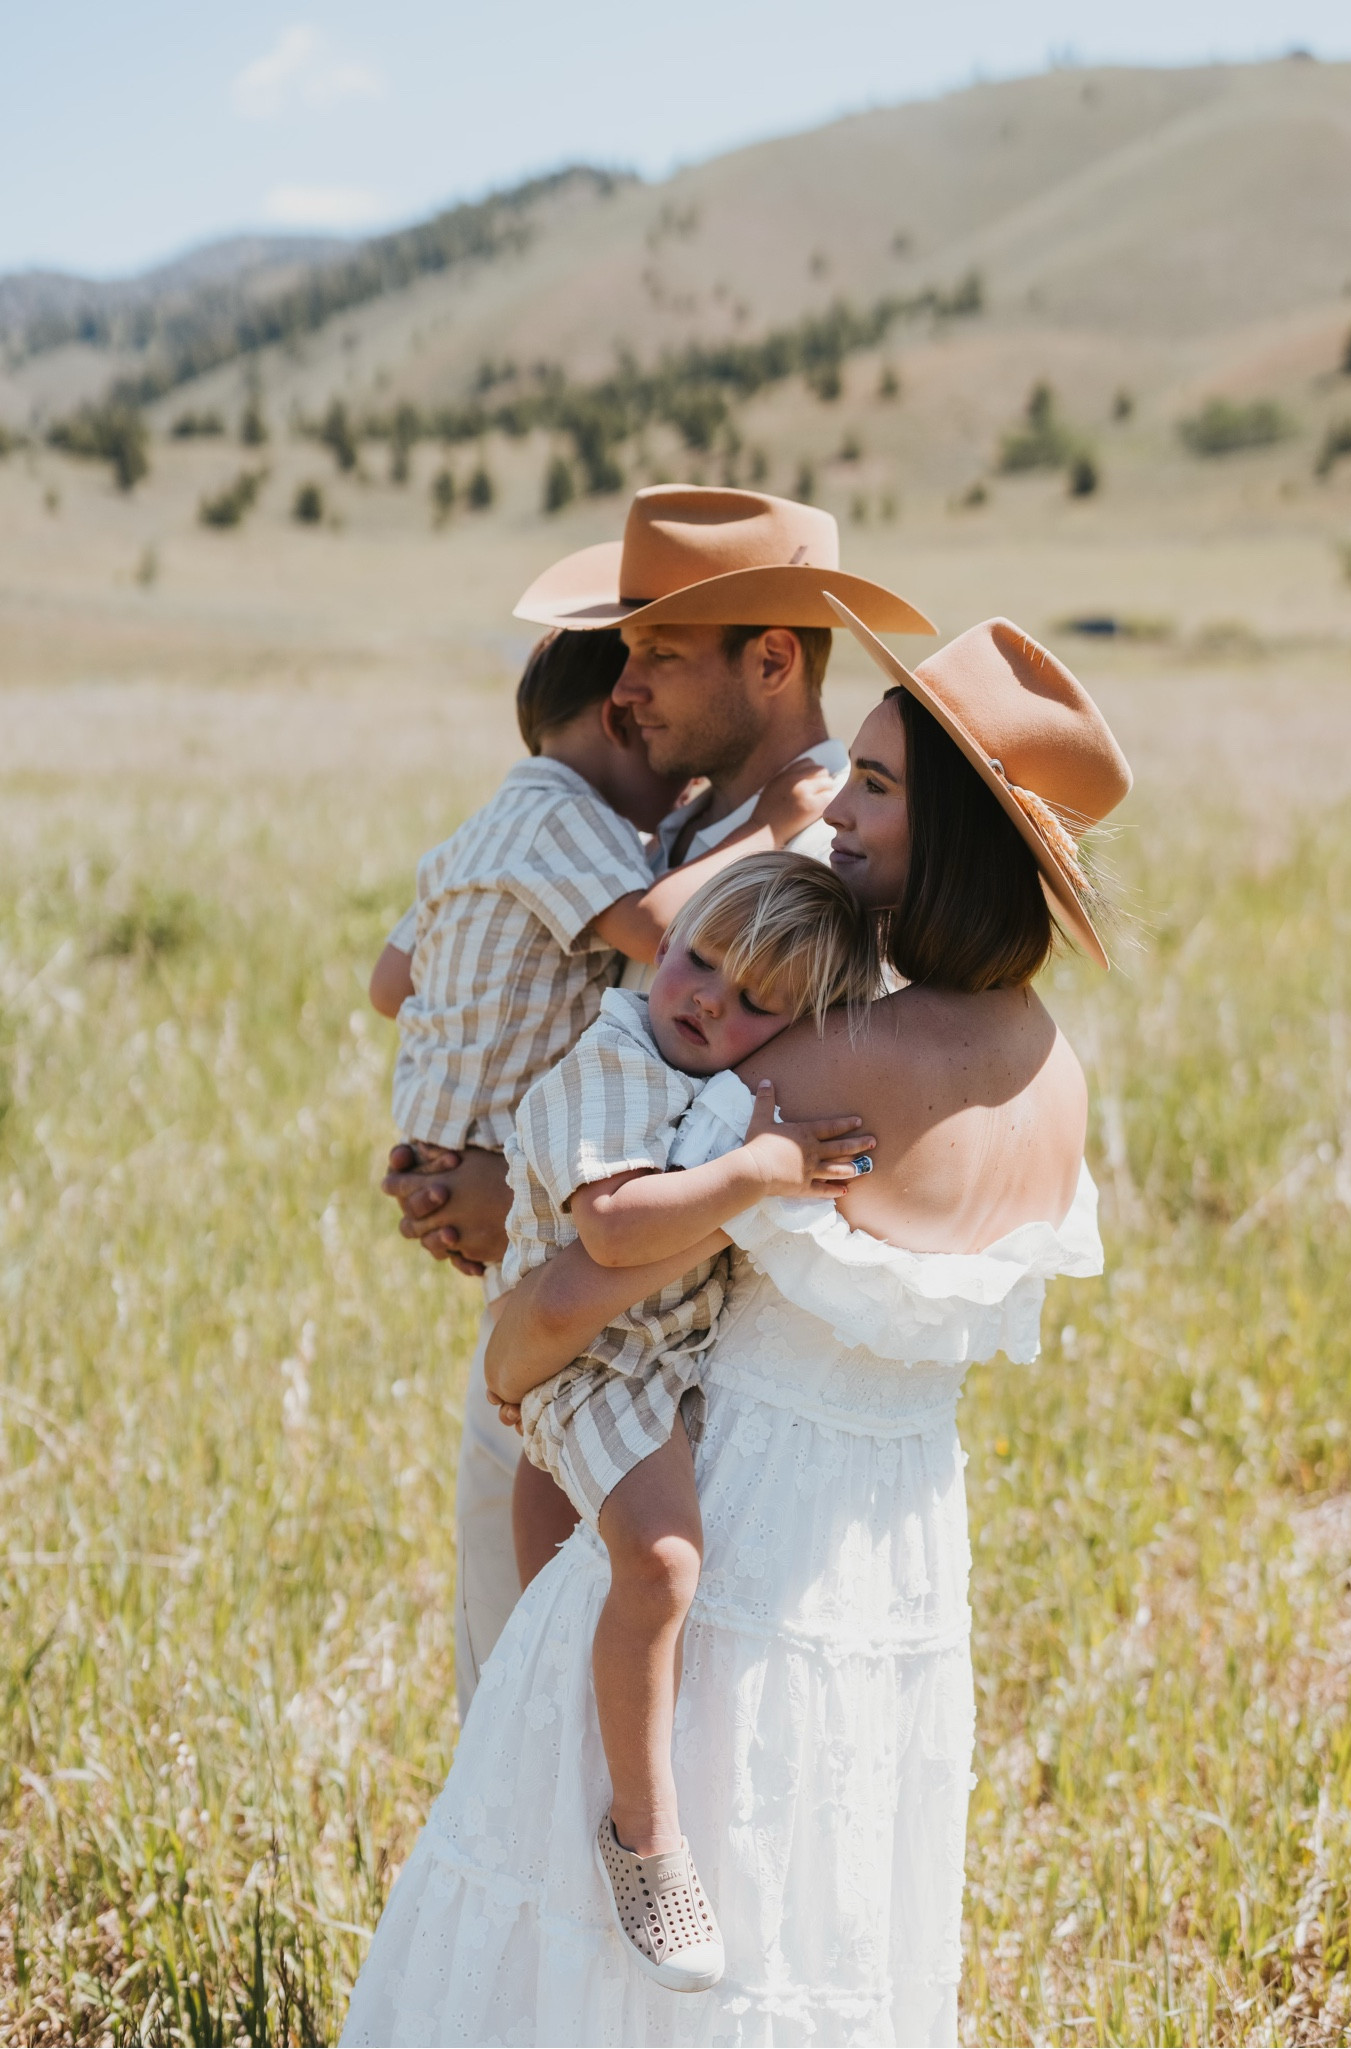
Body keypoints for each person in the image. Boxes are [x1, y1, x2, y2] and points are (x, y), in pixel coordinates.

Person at [340, 610, 1132, 2047]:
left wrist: (513, 1364)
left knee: (606, 1927)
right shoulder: (1051, 1076)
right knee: (818, 1895)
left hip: (733, 1525)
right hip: (892, 1562)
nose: (837, 802)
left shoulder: (825, 1059)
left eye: (878, 789)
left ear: (951, 839)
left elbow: (593, 1268)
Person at [372, 487, 935, 1710]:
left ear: (773, 659)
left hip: (638, 1368)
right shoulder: (690, 818)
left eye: (658, 656)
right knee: (512, 1714)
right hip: (573, 1338)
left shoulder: (813, 863)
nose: (622, 689)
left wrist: (531, 1207)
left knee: (557, 1725)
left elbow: (758, 1128)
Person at [502, 856, 880, 1990]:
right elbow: (613, 1229)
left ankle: (572, 1748)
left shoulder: (708, 1070)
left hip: (670, 1357)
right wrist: (764, 1167)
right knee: (663, 1562)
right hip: (598, 1362)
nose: (707, 997)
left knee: (594, 1591)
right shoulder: (614, 1057)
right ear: (662, 947)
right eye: (698, 959)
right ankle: (646, 1836)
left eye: (755, 1000)